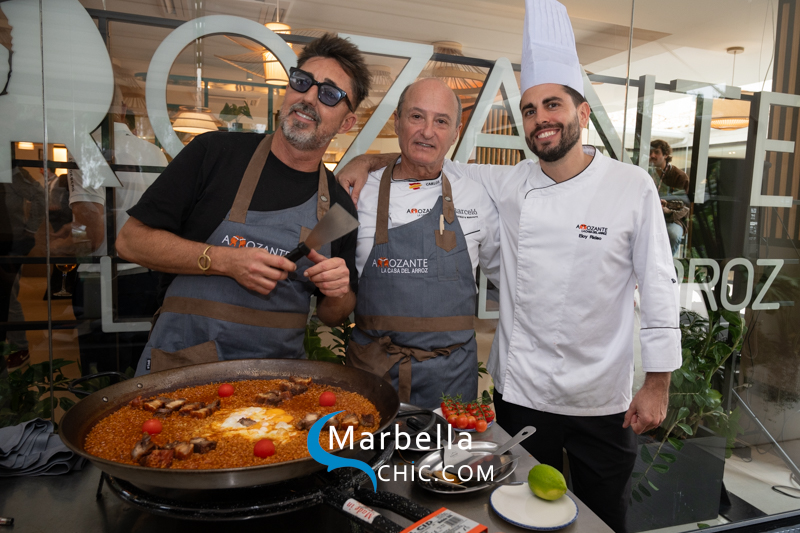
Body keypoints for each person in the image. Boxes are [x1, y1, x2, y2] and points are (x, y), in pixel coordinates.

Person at [337, 1, 681, 530]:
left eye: (553, 105)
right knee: (515, 511)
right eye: (530, 109)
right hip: (522, 393)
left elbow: (658, 284)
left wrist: (657, 382)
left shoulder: (631, 186)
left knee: (603, 516)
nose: (541, 119)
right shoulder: (508, 181)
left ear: (582, 113)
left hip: (600, 398)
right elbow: (428, 157)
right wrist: (367, 160)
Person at [116, 34, 370, 375]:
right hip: (182, 368)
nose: (309, 97)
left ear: (346, 123)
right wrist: (225, 260)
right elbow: (130, 241)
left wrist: (338, 292)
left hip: (275, 381)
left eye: (329, 94)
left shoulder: (338, 208)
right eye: (302, 82)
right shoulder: (215, 154)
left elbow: (332, 314)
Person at [344, 78, 499, 409]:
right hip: (374, 372)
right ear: (397, 121)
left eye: (441, 121)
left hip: (452, 378)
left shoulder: (476, 195)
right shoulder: (359, 192)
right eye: (417, 116)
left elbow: (507, 275)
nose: (427, 131)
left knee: (446, 446)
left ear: (455, 132)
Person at [50, 85, 167, 375]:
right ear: (123, 110)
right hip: (149, 276)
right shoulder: (154, 153)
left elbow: (92, 235)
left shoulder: (87, 151)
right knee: (142, 368)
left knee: (102, 376)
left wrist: (56, 246)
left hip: (104, 279)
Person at [649, 139, 690, 256]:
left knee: (672, 234)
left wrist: (668, 211)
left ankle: (666, 263)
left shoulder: (679, 176)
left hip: (671, 219)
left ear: (666, 155)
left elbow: (684, 207)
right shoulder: (645, 172)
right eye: (650, 152)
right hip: (648, 216)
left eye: (656, 152)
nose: (652, 155)